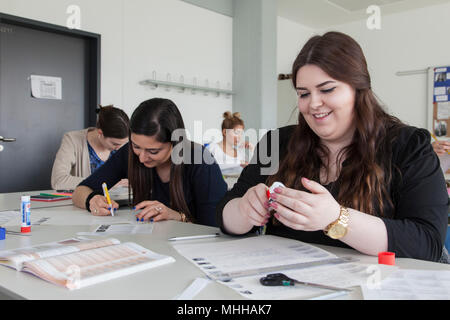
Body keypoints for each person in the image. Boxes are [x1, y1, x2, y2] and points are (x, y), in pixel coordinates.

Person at [217, 31, 449, 263]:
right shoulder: (277, 143)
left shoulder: (408, 146)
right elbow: (224, 213)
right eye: (304, 94)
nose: (314, 103)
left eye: (327, 89)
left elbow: (427, 242)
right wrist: (243, 211)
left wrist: (337, 219)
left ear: (358, 89)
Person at [72, 98, 227, 227]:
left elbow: (215, 226)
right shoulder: (129, 153)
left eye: (153, 151)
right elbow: (81, 190)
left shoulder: (200, 161)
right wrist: (91, 200)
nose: (142, 158)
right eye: (136, 146)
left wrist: (178, 217)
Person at [51, 105, 130, 190]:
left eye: (123, 144)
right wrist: (106, 182)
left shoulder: (125, 146)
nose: (119, 148)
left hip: (119, 200)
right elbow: (58, 181)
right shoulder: (72, 140)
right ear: (100, 133)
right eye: (114, 144)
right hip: (84, 201)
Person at [207, 111, 254, 175]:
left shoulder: (240, 152)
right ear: (225, 132)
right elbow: (207, 170)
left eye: (241, 133)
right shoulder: (212, 149)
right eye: (236, 133)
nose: (239, 137)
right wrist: (237, 165)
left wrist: (252, 149)